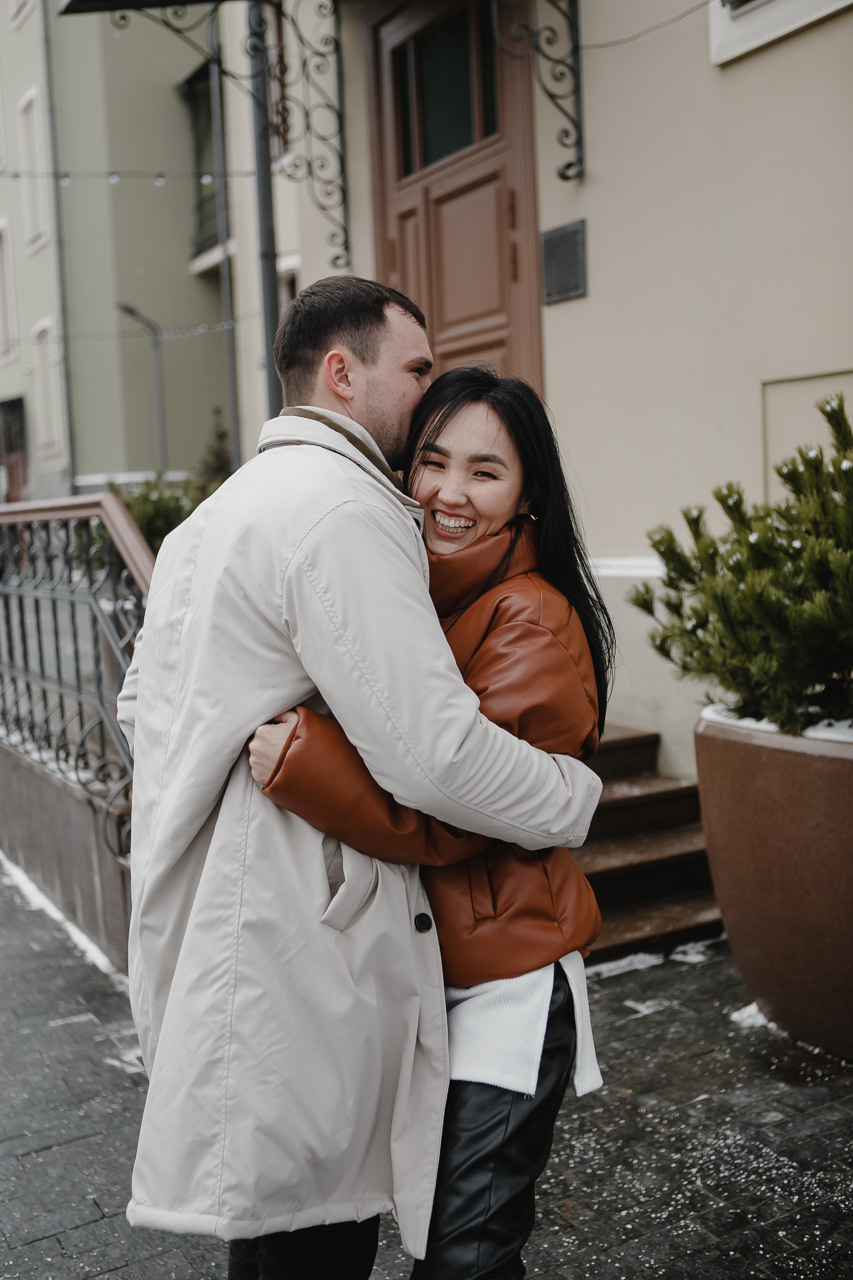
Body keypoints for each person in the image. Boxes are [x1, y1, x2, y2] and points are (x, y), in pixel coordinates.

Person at [116, 277, 604, 1280]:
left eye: (482, 469)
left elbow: (141, 711)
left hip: (396, 954)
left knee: (344, 1235)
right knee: (315, 1235)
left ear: (527, 495)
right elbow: (432, 757)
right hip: (299, 941)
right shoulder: (342, 508)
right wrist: (565, 796)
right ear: (343, 372)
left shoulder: (208, 520)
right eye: (417, 374)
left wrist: (567, 794)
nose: (440, 477)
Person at [247, 366, 617, 1280]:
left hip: (504, 983)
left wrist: (307, 765)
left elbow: (462, 817)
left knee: (465, 1255)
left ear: (528, 494)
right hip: (414, 981)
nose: (450, 494)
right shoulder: (412, 597)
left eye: (485, 472)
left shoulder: (528, 617)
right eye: (433, 461)